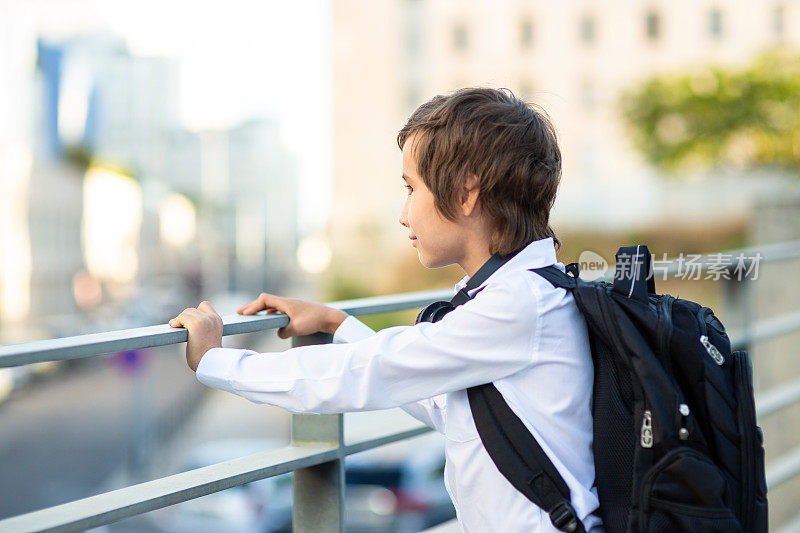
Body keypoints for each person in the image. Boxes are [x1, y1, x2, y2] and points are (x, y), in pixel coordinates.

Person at [169, 87, 602, 532]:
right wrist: (337, 324)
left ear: (467, 192)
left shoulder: (517, 306)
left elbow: (366, 373)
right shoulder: (521, 294)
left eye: (411, 188)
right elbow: (440, 400)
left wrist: (216, 361)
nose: (403, 214)